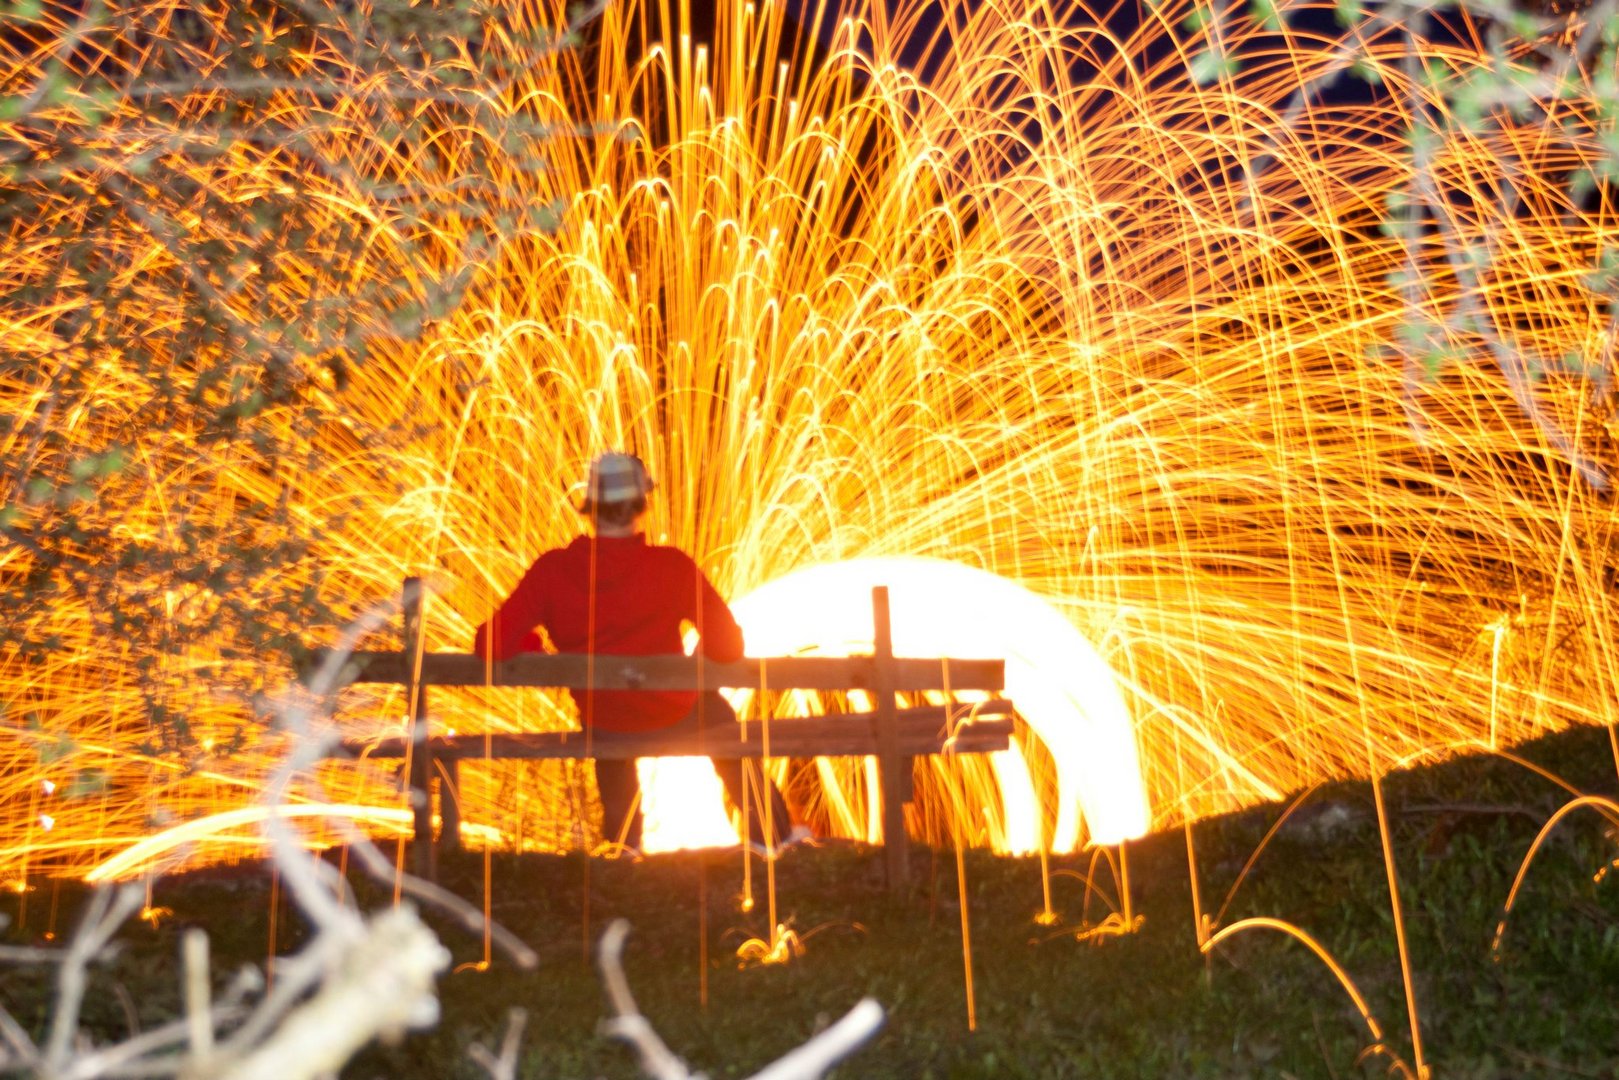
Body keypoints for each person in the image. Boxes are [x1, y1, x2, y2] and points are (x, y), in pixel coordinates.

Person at [471, 451, 799, 855]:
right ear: (642, 505)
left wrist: (535, 647)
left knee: (608, 730)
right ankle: (773, 837)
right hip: (675, 712)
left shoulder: (552, 571)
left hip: (605, 720)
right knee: (721, 724)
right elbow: (729, 646)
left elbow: (490, 644)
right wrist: (698, 660)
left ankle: (623, 847)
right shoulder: (671, 567)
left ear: (589, 508)